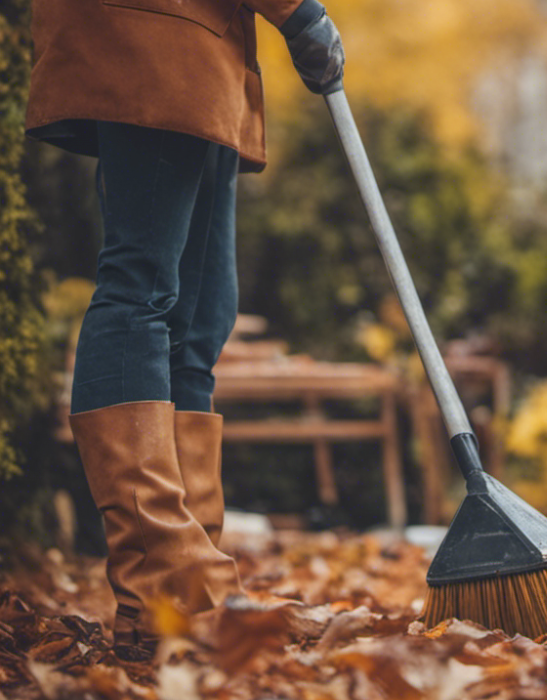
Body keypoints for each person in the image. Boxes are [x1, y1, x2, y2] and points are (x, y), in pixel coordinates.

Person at [24, 0, 344, 660]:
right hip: (149, 29)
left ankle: (199, 579)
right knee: (140, 287)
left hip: (209, 50)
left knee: (199, 325)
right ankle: (164, 591)